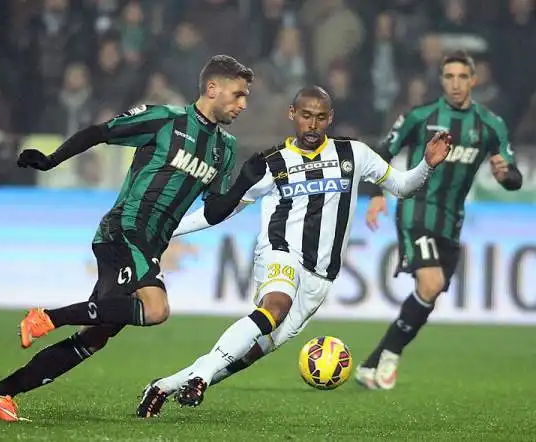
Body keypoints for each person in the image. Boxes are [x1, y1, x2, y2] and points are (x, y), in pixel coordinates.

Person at [0, 54, 267, 422]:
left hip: (151, 242)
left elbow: (214, 211)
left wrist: (245, 179)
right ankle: (48, 317)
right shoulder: (165, 119)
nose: (243, 104)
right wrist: (51, 160)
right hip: (126, 229)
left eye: (246, 97)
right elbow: (100, 132)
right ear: (212, 88)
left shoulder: (224, 147)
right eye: (238, 95)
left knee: (95, 337)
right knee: (156, 309)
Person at [136, 85, 452, 418]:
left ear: (330, 118)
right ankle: (200, 376)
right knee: (276, 305)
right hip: (279, 252)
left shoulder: (354, 155)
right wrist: (170, 228)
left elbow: (402, 187)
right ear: (292, 115)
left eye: (319, 117)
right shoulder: (272, 163)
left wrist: (427, 165)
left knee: (251, 352)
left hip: (320, 277)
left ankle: (164, 386)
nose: (312, 125)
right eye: (305, 116)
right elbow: (224, 211)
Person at [355, 50, 523, 390]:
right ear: (442, 79)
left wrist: (506, 175)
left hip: (451, 223)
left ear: (474, 80)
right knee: (429, 285)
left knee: (427, 295)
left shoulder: (491, 125)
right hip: (416, 211)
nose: (456, 84)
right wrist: (375, 196)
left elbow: (513, 177)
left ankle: (373, 362)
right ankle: (390, 358)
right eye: (449, 77)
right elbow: (380, 155)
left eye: (463, 77)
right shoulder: (421, 116)